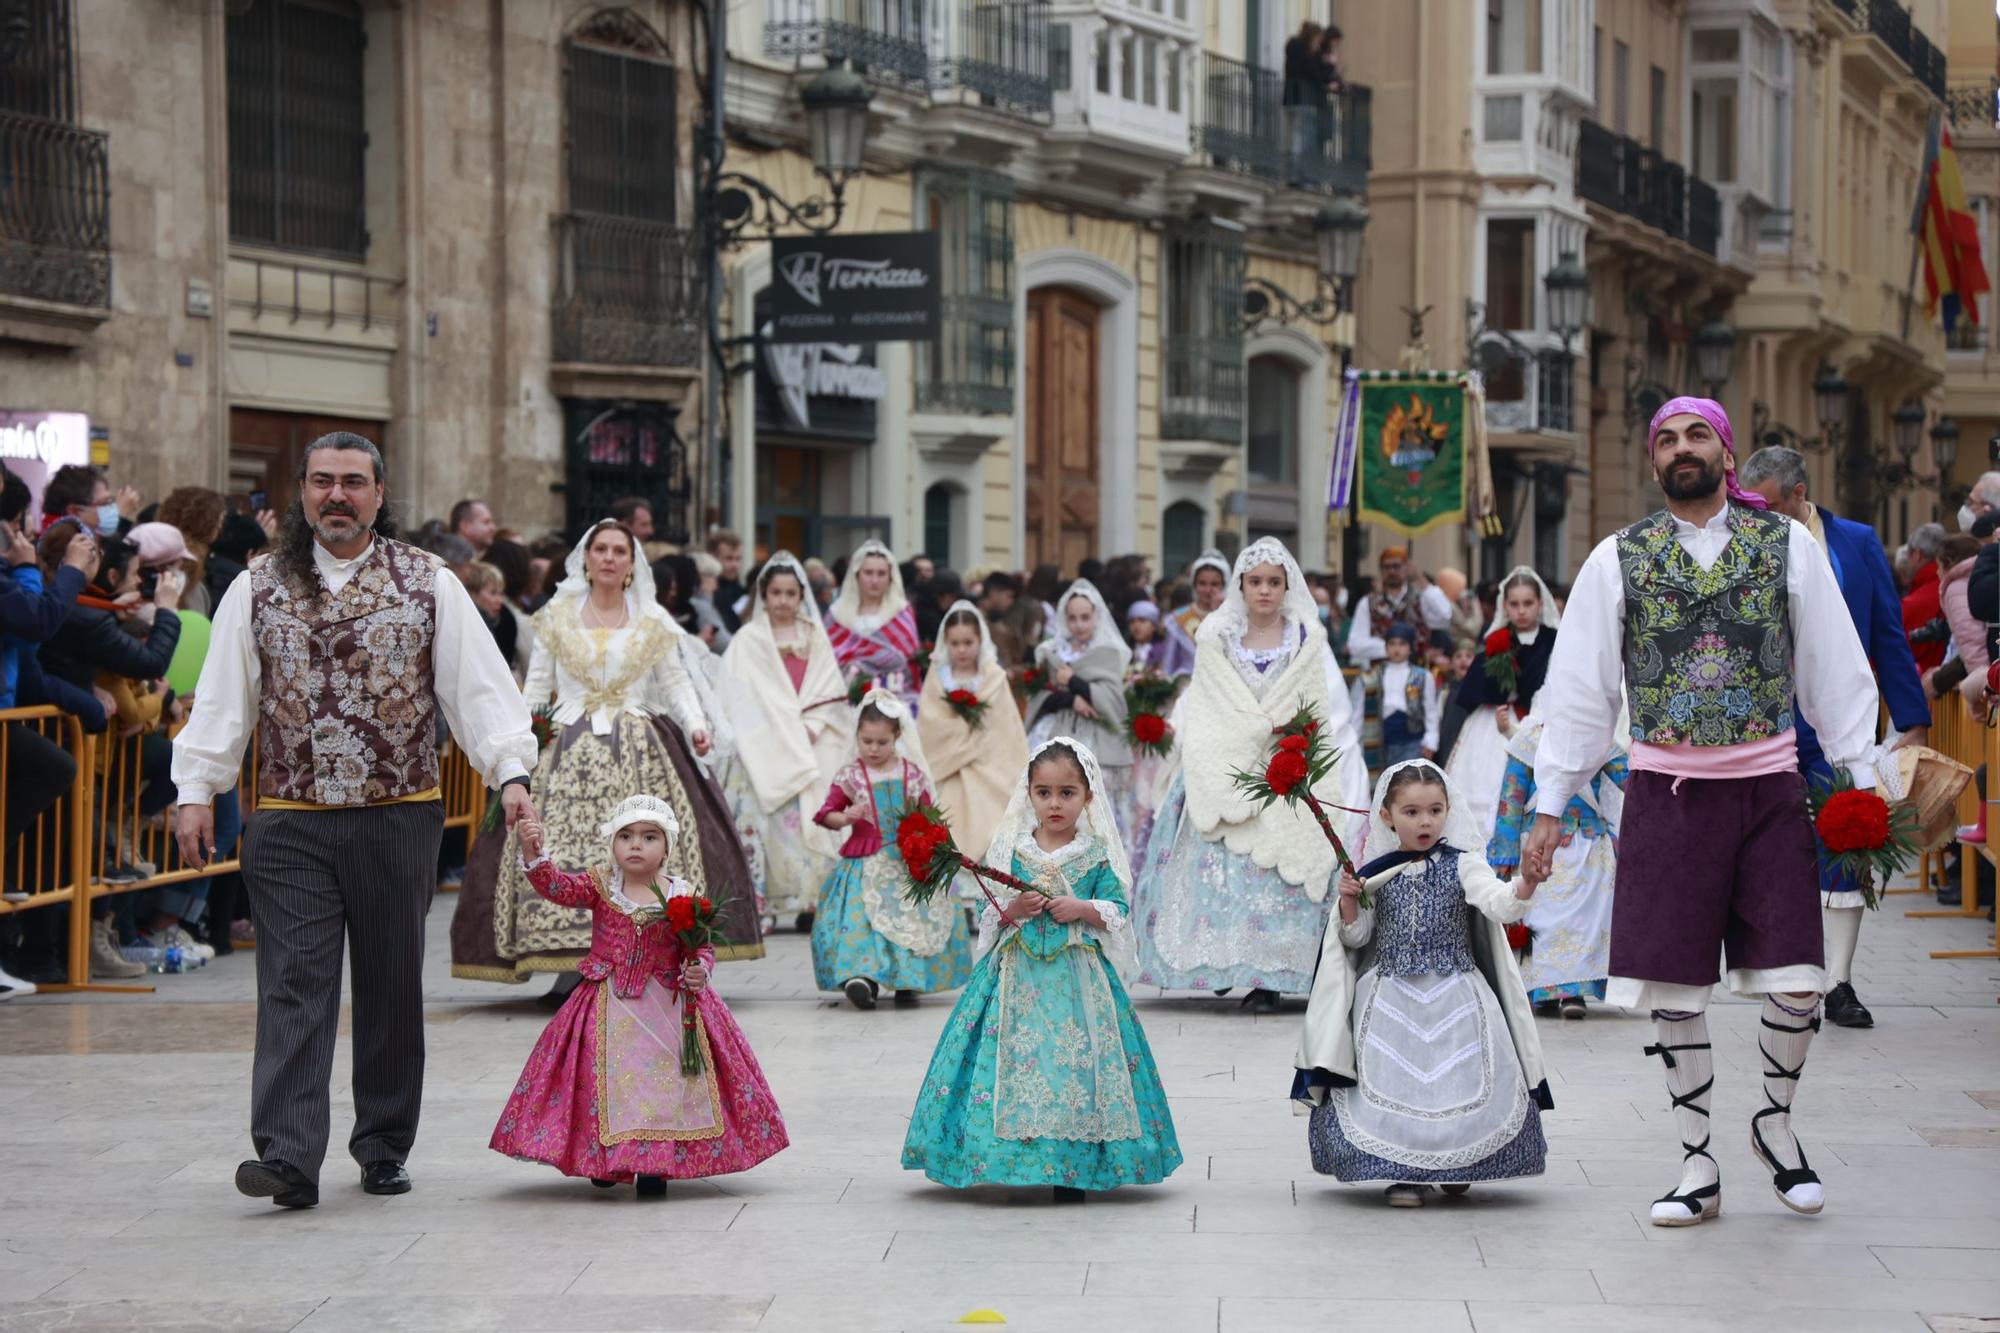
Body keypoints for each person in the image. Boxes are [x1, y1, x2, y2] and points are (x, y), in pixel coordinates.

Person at [1522, 397, 1881, 1228]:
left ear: (1726, 452)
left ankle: (1774, 1123)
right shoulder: (1619, 557)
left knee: (1800, 979)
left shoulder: (1787, 545)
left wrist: (1862, 776)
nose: (1681, 450)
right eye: (1666, 440)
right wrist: (1550, 803)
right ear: (1654, 463)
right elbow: (1580, 690)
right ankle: (1696, 1158)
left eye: (1697, 436)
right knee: (1677, 988)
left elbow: (1833, 665)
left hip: (1768, 791)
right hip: (1666, 794)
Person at [173, 431, 541, 1209]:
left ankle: (382, 1143)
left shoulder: (428, 582)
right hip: (289, 819)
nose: (335, 495)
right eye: (320, 482)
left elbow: (476, 690)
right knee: (294, 983)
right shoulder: (257, 586)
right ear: (300, 493)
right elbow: (223, 698)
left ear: (379, 493)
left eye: (352, 482)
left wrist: (509, 772)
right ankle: (287, 1154)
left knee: (387, 983)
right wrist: (197, 788)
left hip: (396, 815)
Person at [452, 518, 761, 988]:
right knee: (562, 843)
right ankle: (568, 968)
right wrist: (523, 740)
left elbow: (674, 681)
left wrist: (697, 726)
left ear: (632, 563)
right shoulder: (557, 615)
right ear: (587, 558)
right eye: (602, 549)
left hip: (639, 738)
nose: (610, 558)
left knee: (646, 843)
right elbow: (537, 686)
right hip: (567, 740)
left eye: (620, 551)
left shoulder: (653, 620)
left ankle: (652, 953)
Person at [901, 737, 1183, 1198]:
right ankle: (1013, 1160)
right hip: (1016, 976)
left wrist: (1082, 908)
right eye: (1044, 792)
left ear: (1088, 796)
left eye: (1067, 793)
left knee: (1074, 1066)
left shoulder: (1094, 854)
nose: (1055, 803)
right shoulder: (1013, 850)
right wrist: (1015, 907)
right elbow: (992, 914)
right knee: (1018, 1061)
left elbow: (1116, 908)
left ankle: (1073, 1162)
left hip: (1078, 979)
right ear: (1028, 793)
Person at [493, 795, 787, 1195]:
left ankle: (652, 1165)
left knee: (658, 1084)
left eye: (649, 837)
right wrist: (535, 854)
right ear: (612, 843)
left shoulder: (682, 894)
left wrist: (700, 970)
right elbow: (558, 888)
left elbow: (700, 946)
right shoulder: (600, 885)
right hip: (605, 1002)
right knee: (601, 1080)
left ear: (667, 847)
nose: (636, 844)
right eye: (626, 836)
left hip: (666, 1006)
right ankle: (605, 1157)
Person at [1293, 759, 1549, 1207]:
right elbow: (1357, 937)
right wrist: (1350, 903)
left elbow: (1500, 903)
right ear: (1388, 816)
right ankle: (1406, 1174)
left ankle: (1456, 1163)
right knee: (1398, 1084)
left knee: (1458, 1083)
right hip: (1389, 996)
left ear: (1449, 810)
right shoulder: (1376, 870)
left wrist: (1525, 882)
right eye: (1412, 812)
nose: (1425, 821)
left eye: (1435, 809)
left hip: (1458, 996)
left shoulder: (1463, 864)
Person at [1739, 445, 1930, 1030]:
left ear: (1800, 494)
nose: (1758, 515)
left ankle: (1839, 982)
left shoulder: (1857, 542)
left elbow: (1888, 634)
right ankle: (1790, 975)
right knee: (1772, 851)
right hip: (1764, 723)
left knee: (1849, 842)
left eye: (1768, 504)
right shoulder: (1738, 547)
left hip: (1840, 724)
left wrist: (1913, 718)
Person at [1133, 538, 1369, 1012]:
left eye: (1274, 582)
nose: (1264, 590)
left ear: (1287, 587)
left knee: (1279, 875)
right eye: (1256, 581)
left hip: (1286, 766)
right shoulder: (1218, 637)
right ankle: (1223, 962)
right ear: (1241, 585)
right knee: (1220, 871)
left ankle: (1271, 977)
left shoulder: (1306, 639)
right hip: (1226, 762)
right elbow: (1206, 701)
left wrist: (1298, 749)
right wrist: (1223, 742)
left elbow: (1320, 706)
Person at [811, 689, 972, 1009]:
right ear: (857, 736)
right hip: (864, 860)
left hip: (906, 860)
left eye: (882, 742)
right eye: (866, 741)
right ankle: (862, 977)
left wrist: (933, 851)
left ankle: (907, 981)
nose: (873, 749)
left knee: (913, 917)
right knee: (860, 919)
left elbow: (929, 816)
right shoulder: (851, 775)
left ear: (897, 736)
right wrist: (845, 816)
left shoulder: (912, 775)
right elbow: (826, 813)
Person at [717, 554, 854, 931]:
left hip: (808, 742)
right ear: (763, 595)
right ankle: (763, 905)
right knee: (761, 825)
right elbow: (732, 692)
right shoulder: (748, 639)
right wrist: (766, 732)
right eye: (775, 593)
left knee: (812, 818)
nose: (782, 601)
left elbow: (829, 688)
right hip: (761, 745)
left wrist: (812, 725)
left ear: (800, 595)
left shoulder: (813, 635)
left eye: (790, 593)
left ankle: (811, 901)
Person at [1488, 709, 1628, 1019]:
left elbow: (1628, 777)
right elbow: (1511, 796)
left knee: (1583, 924)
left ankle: (1573, 991)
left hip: (1588, 844)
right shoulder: (1529, 738)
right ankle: (1544, 990)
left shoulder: (1597, 735)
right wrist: (1505, 850)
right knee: (1542, 922)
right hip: (1538, 844)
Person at [1447, 567, 1559, 850]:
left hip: (1541, 722)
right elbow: (1474, 688)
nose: (1521, 611)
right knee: (1488, 782)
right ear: (1505, 606)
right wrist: (1499, 688)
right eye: (1514, 604)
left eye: (1527, 604)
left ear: (1540, 604)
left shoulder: (1554, 640)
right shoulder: (1497, 640)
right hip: (1494, 724)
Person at [917, 600, 1029, 882]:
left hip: (988, 768)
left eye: (968, 642)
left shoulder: (993, 677)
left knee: (990, 819)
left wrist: (974, 744)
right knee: (946, 822)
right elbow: (930, 725)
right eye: (955, 643)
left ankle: (986, 892)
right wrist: (960, 741)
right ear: (945, 643)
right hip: (947, 768)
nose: (962, 649)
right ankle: (954, 894)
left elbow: (1005, 729)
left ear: (980, 640)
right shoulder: (937, 677)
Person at [1024, 580, 1134, 834]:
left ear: (1096, 616)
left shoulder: (1107, 653)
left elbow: (1113, 700)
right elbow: (1041, 695)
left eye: (1085, 617)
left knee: (1092, 797)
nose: (1079, 624)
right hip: (1057, 728)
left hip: (1095, 734)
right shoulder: (1052, 651)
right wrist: (1070, 698)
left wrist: (1073, 681)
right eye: (1072, 618)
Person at [824, 539, 923, 708]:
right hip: (843, 698)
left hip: (895, 700)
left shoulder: (902, 612)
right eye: (868, 573)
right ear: (857, 575)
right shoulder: (837, 614)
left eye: (881, 573)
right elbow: (826, 659)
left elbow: (911, 663)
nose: (874, 580)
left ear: (890, 577)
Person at [1350, 623, 1440, 779]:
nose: (1396, 649)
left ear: (1410, 647)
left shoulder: (1423, 676)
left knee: (1409, 782)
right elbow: (1359, 711)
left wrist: (1431, 739)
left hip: (1411, 739)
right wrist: (1355, 740)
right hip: (1381, 740)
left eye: (1402, 644)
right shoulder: (1373, 676)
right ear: (1386, 647)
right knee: (1384, 785)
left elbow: (1430, 711)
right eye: (1392, 644)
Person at [1345, 547, 1453, 667]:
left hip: (1417, 672)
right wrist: (1392, 648)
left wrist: (1421, 580)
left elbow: (1445, 617)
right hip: (1382, 672)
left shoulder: (1421, 598)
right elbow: (1355, 644)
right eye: (1386, 567)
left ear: (1406, 567)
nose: (1392, 571)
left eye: (1396, 566)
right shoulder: (1368, 603)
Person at [1160, 550, 1228, 678]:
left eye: (1214, 584)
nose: (1208, 590)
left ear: (1223, 585)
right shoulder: (1178, 618)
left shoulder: (1231, 618)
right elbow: (1168, 663)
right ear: (1194, 585)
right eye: (1202, 583)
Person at [707, 530, 747, 632]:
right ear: (713, 557)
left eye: (738, 559)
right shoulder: (706, 593)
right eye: (729, 558)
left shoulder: (744, 592)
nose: (735, 565)